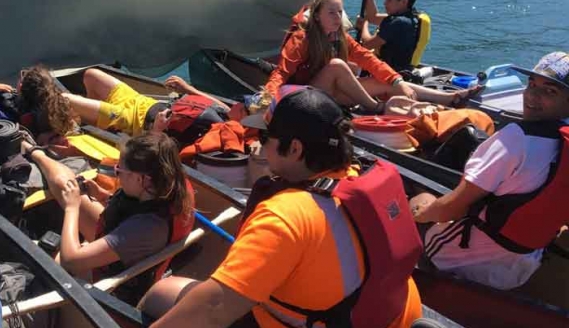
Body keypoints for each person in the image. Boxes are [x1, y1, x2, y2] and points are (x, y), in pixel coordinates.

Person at [141, 86, 422, 328]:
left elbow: (213, 309)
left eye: (265, 139)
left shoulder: (283, 216)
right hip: (389, 317)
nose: (259, 146)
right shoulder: (357, 175)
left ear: (296, 149)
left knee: (158, 295)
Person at [411, 51, 569, 290]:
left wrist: (419, 213)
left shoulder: (515, 139)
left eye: (549, 91)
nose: (532, 96)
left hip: (470, 258)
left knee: (417, 198)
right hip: (523, 265)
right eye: (531, 84)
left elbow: (449, 210)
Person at [22, 132, 195, 304]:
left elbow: (71, 261)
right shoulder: (171, 185)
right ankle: (34, 152)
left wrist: (71, 207)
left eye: (119, 170)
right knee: (65, 185)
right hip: (125, 247)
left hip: (111, 287)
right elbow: (133, 212)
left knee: (38, 255)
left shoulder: (145, 228)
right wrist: (104, 197)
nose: (116, 173)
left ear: (143, 179)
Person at [263, 0, 477, 113]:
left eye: (340, 12)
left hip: (332, 94)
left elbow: (369, 59)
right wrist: (268, 98)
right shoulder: (303, 38)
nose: (338, 17)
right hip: (307, 97)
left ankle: (449, 99)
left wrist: (397, 81)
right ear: (317, 15)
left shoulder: (341, 38)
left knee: (386, 81)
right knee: (338, 65)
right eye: (331, 12)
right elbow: (281, 73)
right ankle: (376, 107)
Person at [64, 69, 229, 144]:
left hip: (135, 123)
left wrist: (156, 131)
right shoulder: (234, 119)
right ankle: (96, 125)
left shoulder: (223, 139)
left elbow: (166, 153)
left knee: (65, 99)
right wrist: (187, 88)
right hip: (142, 101)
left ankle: (99, 126)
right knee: (91, 75)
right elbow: (224, 108)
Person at [358, 0, 430, 72]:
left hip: (388, 74)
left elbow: (367, 44)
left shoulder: (397, 23)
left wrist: (364, 25)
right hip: (406, 69)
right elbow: (373, 17)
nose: (385, 2)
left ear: (404, 1)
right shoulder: (413, 18)